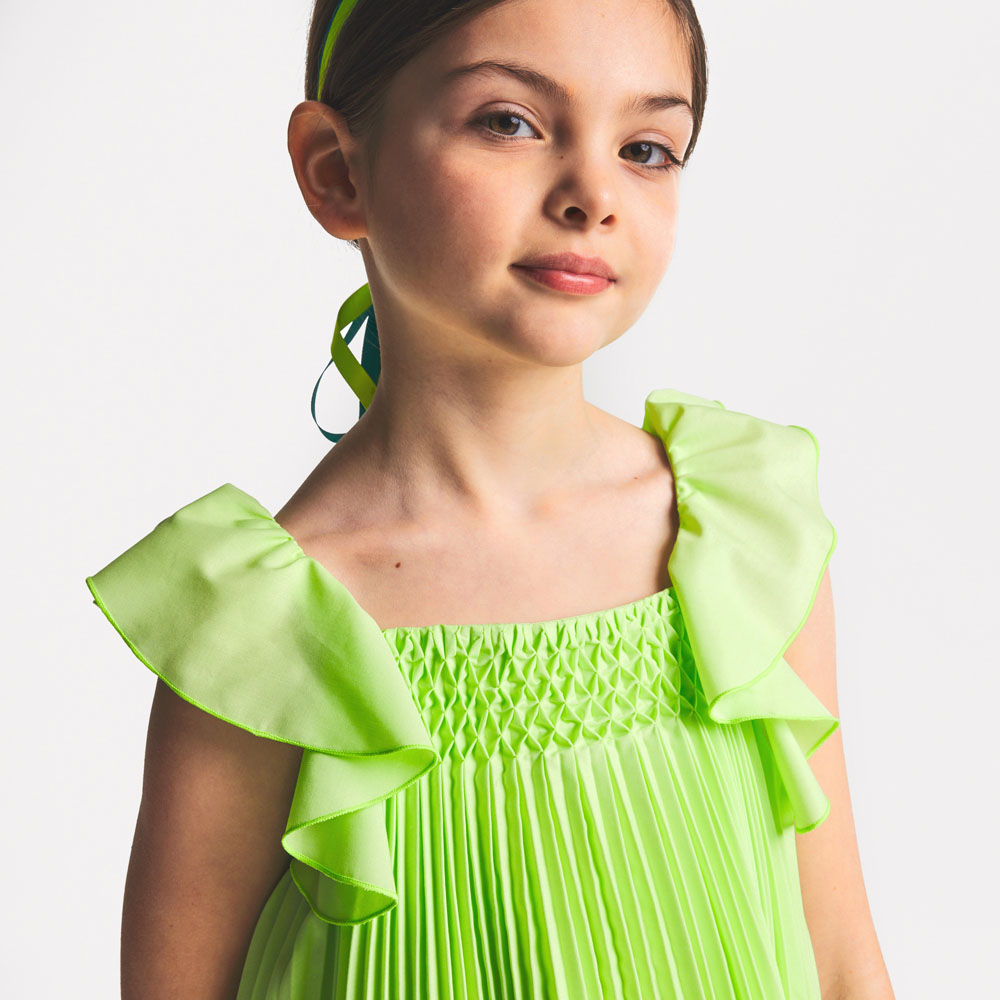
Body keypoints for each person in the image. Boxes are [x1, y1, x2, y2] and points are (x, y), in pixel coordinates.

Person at [84, 1, 895, 997]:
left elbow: (844, 962)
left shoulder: (740, 538)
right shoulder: (263, 643)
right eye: (509, 122)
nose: (593, 194)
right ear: (337, 172)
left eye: (645, 148)